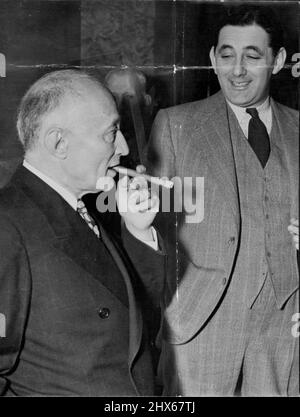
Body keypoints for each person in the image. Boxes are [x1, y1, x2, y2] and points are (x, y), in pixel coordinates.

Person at [147, 5, 299, 396]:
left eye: (252, 56)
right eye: (227, 55)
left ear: (278, 61)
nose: (237, 70)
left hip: (284, 329)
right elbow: (151, 238)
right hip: (201, 326)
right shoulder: (176, 125)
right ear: (213, 59)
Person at [0, 69, 166, 396]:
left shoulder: (79, 206)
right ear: (58, 142)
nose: (122, 147)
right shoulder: (8, 226)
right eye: (111, 132)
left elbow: (131, 314)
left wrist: (137, 229)